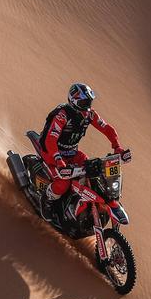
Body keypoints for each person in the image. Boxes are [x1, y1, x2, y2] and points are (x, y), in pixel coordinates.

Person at [39, 82, 130, 221]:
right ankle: (47, 201)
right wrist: (58, 159)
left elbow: (107, 129)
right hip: (51, 152)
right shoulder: (62, 115)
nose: (88, 106)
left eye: (89, 102)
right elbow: (50, 140)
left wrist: (117, 147)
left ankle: (79, 206)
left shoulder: (90, 115)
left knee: (92, 172)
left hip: (72, 152)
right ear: (75, 101)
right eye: (84, 102)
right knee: (64, 182)